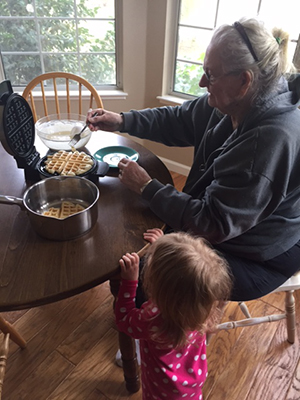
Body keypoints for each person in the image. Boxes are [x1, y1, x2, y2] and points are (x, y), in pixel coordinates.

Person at [87, 17, 300, 302]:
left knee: (148, 271)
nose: (202, 83)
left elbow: (214, 223)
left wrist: (147, 187)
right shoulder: (237, 98)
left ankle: (158, 338)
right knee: (147, 235)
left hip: (257, 254)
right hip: (229, 223)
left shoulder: (267, 141)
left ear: (243, 81)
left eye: (210, 75)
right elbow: (180, 119)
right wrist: (123, 121)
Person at [115, 229, 232, 400]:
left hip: (160, 391)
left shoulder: (152, 318)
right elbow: (181, 275)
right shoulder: (201, 307)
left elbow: (124, 320)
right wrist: (162, 248)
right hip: (191, 385)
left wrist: (129, 283)